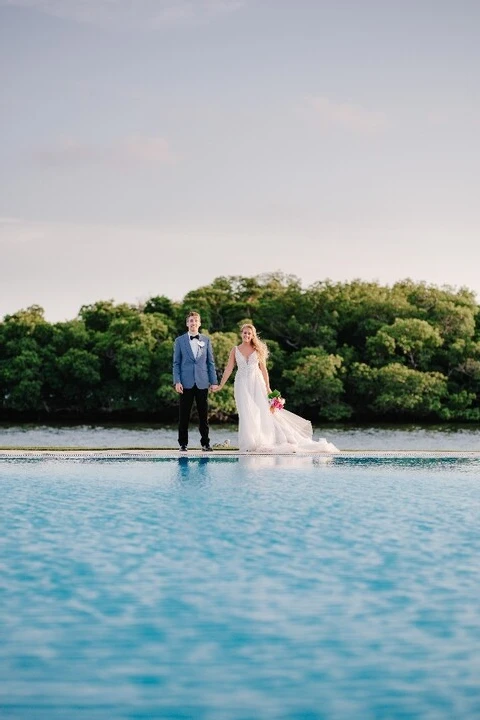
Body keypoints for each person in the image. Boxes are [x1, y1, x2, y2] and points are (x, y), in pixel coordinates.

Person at [213, 323, 339, 454]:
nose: (246, 335)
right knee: (246, 413)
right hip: (241, 384)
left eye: (249, 333)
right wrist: (221, 385)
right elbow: (228, 368)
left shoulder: (257, 349)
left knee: (262, 412)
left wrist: (268, 388)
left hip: (257, 383)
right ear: (241, 334)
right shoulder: (235, 350)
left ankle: (263, 440)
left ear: (253, 335)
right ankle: (249, 443)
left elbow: (264, 370)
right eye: (244, 332)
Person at [173, 311, 218, 451]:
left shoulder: (206, 340)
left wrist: (214, 382)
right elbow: (176, 363)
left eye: (195, 321)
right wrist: (177, 381)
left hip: (202, 382)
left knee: (203, 415)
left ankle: (205, 443)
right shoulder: (179, 341)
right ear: (187, 323)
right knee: (184, 415)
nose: (193, 323)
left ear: (199, 323)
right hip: (185, 383)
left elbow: (210, 363)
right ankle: (183, 444)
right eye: (191, 321)